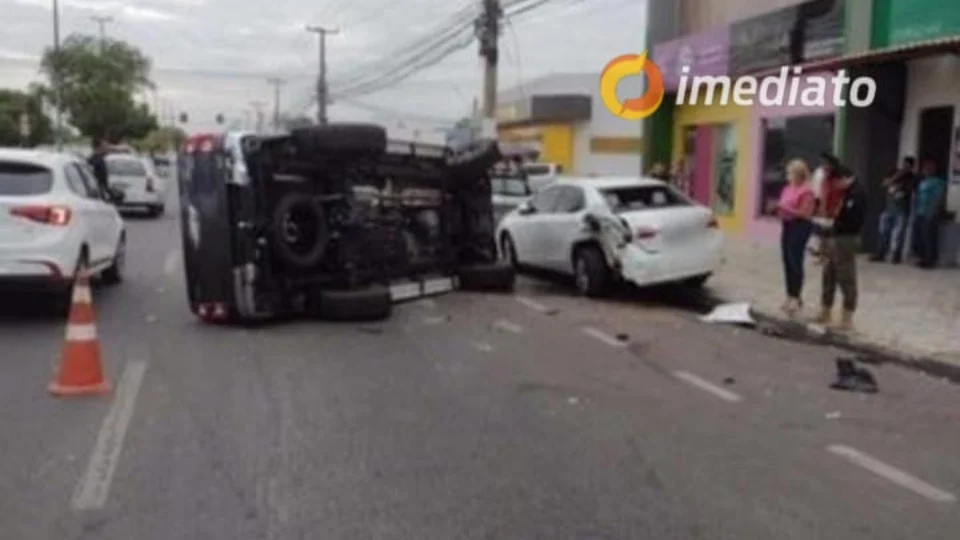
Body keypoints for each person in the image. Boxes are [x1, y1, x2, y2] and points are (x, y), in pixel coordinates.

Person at [812, 164, 866, 332]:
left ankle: (847, 317)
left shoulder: (857, 194)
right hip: (835, 235)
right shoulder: (846, 192)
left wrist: (833, 223)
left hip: (846, 238)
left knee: (846, 276)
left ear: (844, 179)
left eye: (836, 182)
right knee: (829, 273)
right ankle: (825, 310)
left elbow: (852, 220)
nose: (834, 186)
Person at [774, 159, 816, 316]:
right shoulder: (787, 189)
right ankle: (789, 294)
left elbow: (805, 213)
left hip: (800, 226)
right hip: (787, 225)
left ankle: (796, 297)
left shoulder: (807, 191)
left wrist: (784, 208)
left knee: (795, 260)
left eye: (790, 173)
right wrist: (778, 211)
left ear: (798, 174)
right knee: (786, 259)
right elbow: (782, 205)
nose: (788, 176)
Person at [871, 156, 917, 263]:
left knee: (899, 234)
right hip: (889, 208)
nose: (905, 167)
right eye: (904, 164)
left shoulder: (912, 178)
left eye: (908, 165)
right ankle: (881, 253)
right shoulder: (894, 172)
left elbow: (909, 190)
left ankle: (896, 255)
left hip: (902, 209)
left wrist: (898, 187)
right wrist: (898, 175)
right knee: (883, 231)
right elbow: (884, 183)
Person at [912, 157, 947, 269]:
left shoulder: (938, 182)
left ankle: (930, 260)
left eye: (928, 168)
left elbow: (937, 199)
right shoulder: (923, 182)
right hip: (920, 212)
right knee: (920, 237)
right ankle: (923, 257)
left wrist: (933, 211)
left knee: (929, 237)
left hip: (930, 212)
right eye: (925, 168)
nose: (925, 170)